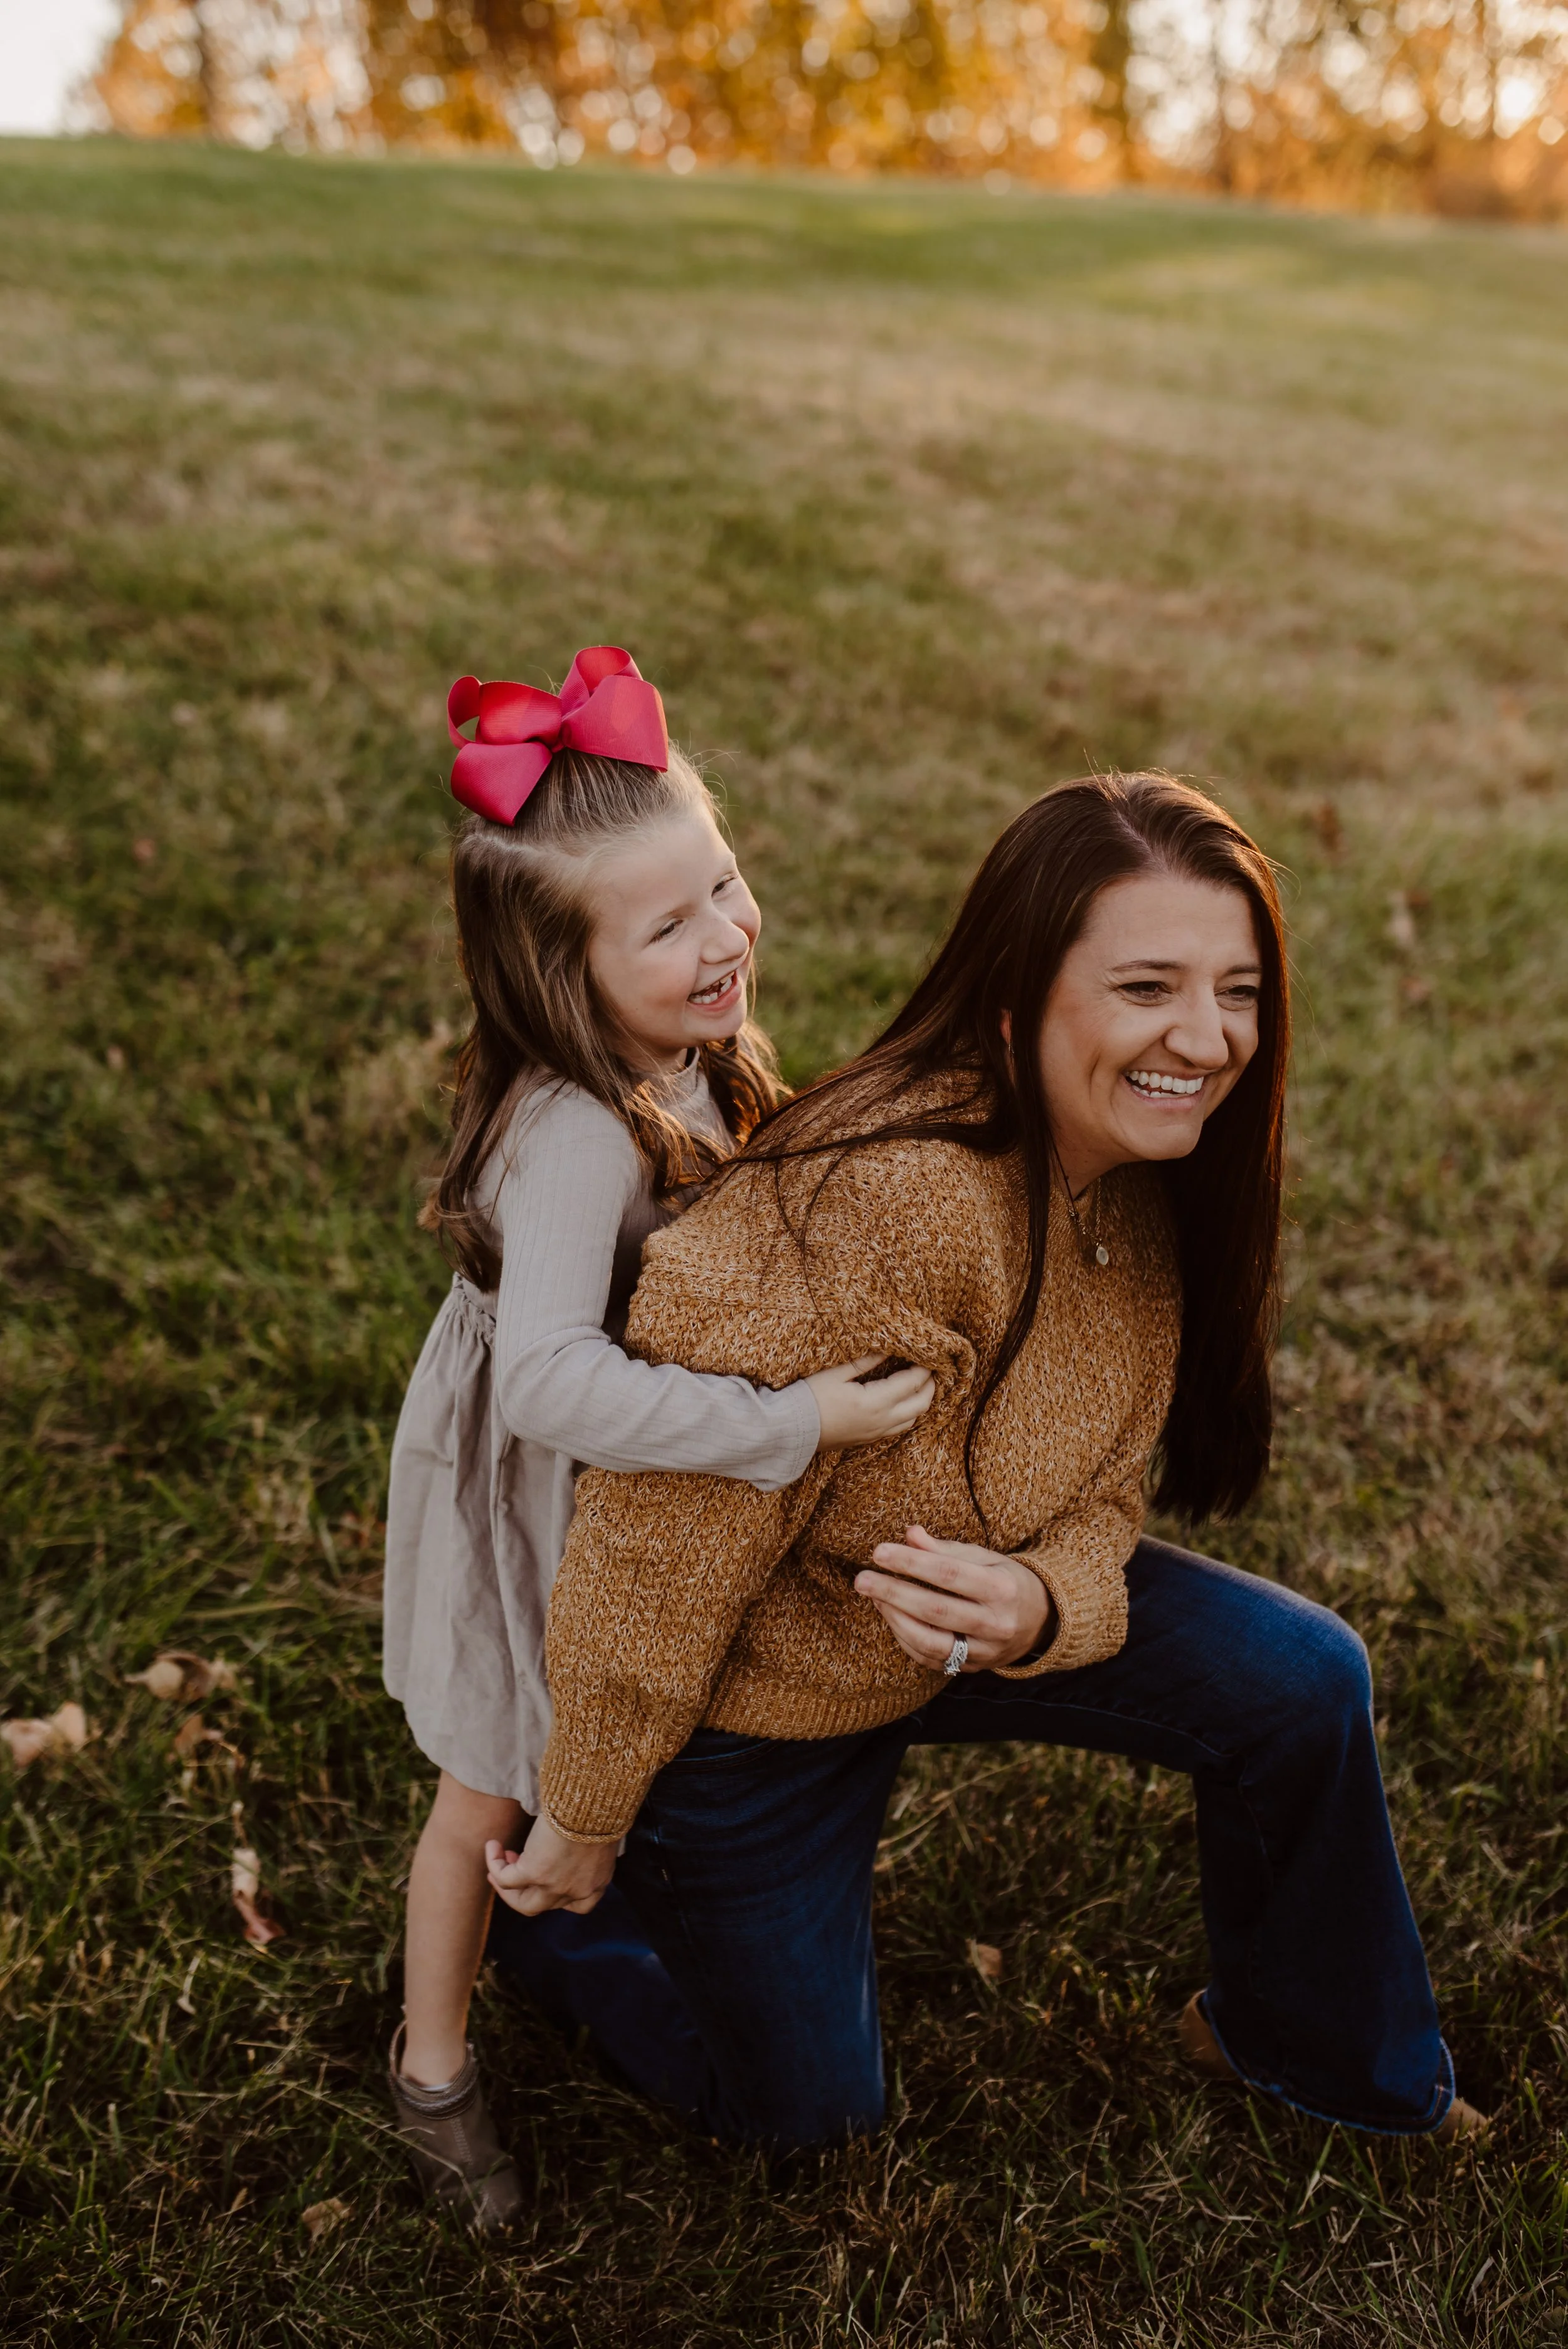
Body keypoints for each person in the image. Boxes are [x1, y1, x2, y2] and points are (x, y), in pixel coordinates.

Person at [489, 770, 1488, 2151]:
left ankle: (1319, 2052)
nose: (1203, 1039)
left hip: (932, 1641)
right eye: (1145, 988)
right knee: (809, 2133)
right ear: (1018, 998)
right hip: (750, 1707)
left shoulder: (1142, 1176)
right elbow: (662, 1533)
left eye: (1237, 991)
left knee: (1304, 1681)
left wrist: (1045, 1606)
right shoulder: (890, 1198)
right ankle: (555, 1934)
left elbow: (1104, 1486)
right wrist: (590, 1808)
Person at [381, 648, 934, 2227]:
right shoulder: (568, 1133)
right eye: (670, 923)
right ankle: (432, 2072)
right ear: (561, 973)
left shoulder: (680, 1053)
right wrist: (792, 1421)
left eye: (725, 883)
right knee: (489, 1780)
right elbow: (551, 1385)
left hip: (630, 1489)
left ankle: (593, 1893)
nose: (726, 935)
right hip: (538, 1481)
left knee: (601, 1742)